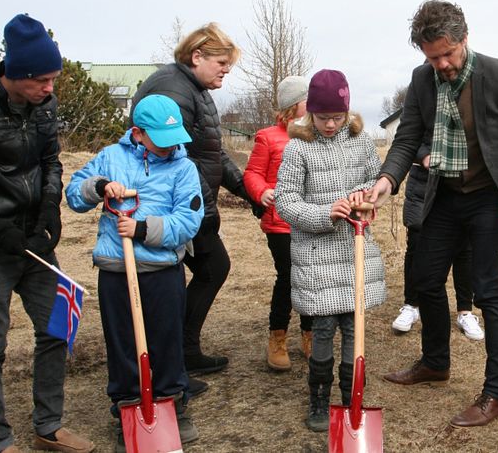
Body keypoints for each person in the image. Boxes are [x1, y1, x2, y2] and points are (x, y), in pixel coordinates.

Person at [368, 0, 498, 428]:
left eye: (448, 53)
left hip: (493, 198)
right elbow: (408, 136)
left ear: (464, 39)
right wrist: (387, 180)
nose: (443, 64)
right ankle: (435, 362)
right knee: (425, 280)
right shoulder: (422, 79)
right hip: (443, 195)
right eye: (433, 57)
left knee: (488, 293)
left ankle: (496, 393)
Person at [0, 14, 94, 453]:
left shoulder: (45, 107)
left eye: (54, 78)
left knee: (57, 329)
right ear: (16, 74)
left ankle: (48, 426)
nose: (50, 88)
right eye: (42, 80)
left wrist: (51, 209)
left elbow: (51, 162)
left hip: (36, 241)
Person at [65, 94, 205, 450]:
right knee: (123, 343)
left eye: (174, 138)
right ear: (138, 133)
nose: (170, 146)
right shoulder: (111, 157)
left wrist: (142, 230)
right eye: (160, 138)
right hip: (116, 269)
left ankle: (173, 403)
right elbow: (74, 196)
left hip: (162, 269)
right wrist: (99, 187)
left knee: (166, 338)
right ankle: (127, 408)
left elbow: (189, 221)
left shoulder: (184, 167)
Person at [130, 22, 261, 395]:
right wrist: (201, 209)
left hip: (191, 206)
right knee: (197, 272)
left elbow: (212, 151)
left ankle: (182, 351)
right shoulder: (172, 90)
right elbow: (176, 160)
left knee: (210, 268)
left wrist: (249, 191)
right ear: (196, 56)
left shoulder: (197, 91)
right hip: (170, 209)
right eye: (221, 62)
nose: (225, 71)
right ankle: (170, 358)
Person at [275, 69, 386, 432]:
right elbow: (286, 202)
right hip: (317, 258)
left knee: (355, 331)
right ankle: (319, 399)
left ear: (347, 112)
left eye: (337, 117)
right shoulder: (298, 148)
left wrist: (363, 196)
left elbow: (375, 180)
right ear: (310, 114)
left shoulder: (361, 141)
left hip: (354, 250)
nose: (330, 124)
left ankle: (352, 397)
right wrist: (324, 213)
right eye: (323, 118)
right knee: (323, 330)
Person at [243, 76, 314, 371]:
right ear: (293, 104)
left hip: (310, 218)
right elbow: (252, 174)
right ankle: (278, 338)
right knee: (288, 277)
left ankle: (309, 335)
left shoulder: (315, 134)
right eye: (306, 98)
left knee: (312, 277)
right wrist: (262, 192)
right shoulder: (268, 137)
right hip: (281, 222)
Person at [392, 152, 484, 341]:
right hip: (422, 187)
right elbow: (408, 140)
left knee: (465, 248)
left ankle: (465, 311)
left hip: (464, 183)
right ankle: (412, 305)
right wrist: (424, 154)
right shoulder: (422, 121)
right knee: (416, 245)